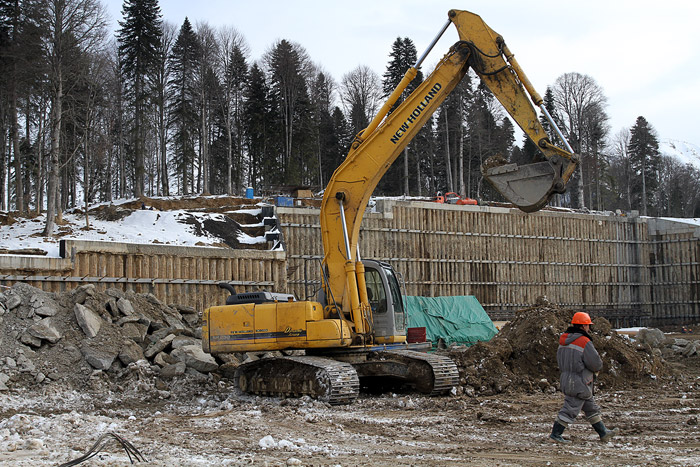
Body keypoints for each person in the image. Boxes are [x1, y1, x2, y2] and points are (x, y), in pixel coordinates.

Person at [549, 312, 619, 443]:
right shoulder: (584, 341)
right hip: (580, 381)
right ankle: (555, 434)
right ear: (582, 326)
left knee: (590, 407)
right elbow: (595, 363)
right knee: (570, 409)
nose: (589, 328)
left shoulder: (563, 340)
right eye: (587, 325)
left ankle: (603, 432)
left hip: (567, 378)